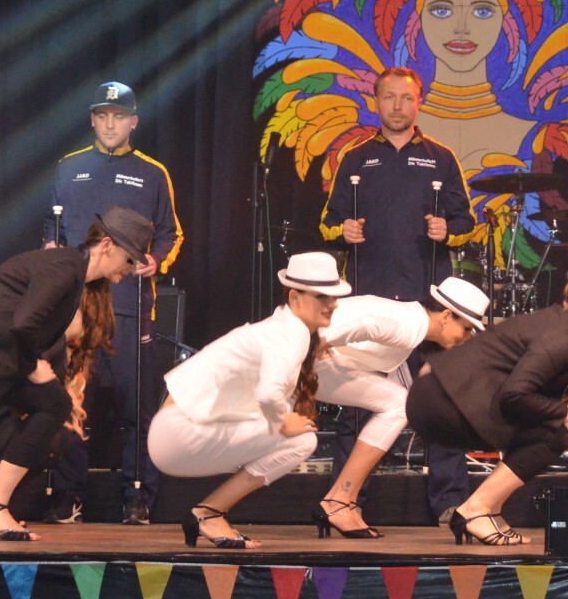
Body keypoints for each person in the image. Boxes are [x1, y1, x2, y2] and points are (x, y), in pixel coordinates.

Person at [0, 206, 152, 543]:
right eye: (129, 259)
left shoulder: (74, 274)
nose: (132, 268)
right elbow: (25, 323)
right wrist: (32, 364)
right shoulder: (67, 266)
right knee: (54, 403)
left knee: (50, 418)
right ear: (107, 245)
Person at [320, 67, 476, 524]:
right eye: (389, 98)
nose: (397, 106)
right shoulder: (355, 158)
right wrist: (342, 231)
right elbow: (327, 222)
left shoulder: (441, 158)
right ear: (376, 102)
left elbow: (468, 223)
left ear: (418, 103)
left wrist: (448, 230)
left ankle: (450, 503)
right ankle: (346, 500)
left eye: (406, 98)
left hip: (427, 304)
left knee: (441, 402)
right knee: (356, 407)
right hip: (368, 300)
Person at [406, 256, 568, 546]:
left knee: (544, 427)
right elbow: (515, 394)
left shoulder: (559, 323)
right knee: (556, 433)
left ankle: (490, 510)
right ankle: (475, 510)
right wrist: (564, 412)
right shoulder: (564, 337)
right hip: (440, 404)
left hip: (436, 397)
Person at [43, 81, 182, 526]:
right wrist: (50, 247)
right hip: (76, 311)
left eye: (118, 116)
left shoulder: (153, 172)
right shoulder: (68, 167)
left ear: (133, 122)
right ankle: (69, 495)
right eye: (102, 116)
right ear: (92, 120)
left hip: (129, 306)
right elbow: (51, 226)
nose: (109, 124)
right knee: (70, 404)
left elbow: (171, 233)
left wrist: (156, 260)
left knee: (135, 408)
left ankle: (137, 497)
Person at [146, 252, 348, 549]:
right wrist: (282, 423)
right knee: (301, 439)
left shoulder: (280, 329)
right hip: (178, 433)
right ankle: (209, 514)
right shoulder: (288, 336)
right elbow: (268, 393)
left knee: (294, 427)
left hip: (173, 432)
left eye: (334, 296)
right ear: (294, 297)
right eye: (322, 297)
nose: (333, 304)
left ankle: (208, 514)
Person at [312, 276, 488, 538]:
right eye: (466, 328)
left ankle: (340, 501)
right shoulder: (409, 327)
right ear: (446, 316)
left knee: (398, 404)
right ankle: (338, 501)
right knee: (397, 406)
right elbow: (366, 324)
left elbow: (402, 386)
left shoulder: (412, 320)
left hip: (318, 356)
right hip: (308, 359)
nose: (467, 337)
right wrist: (320, 343)